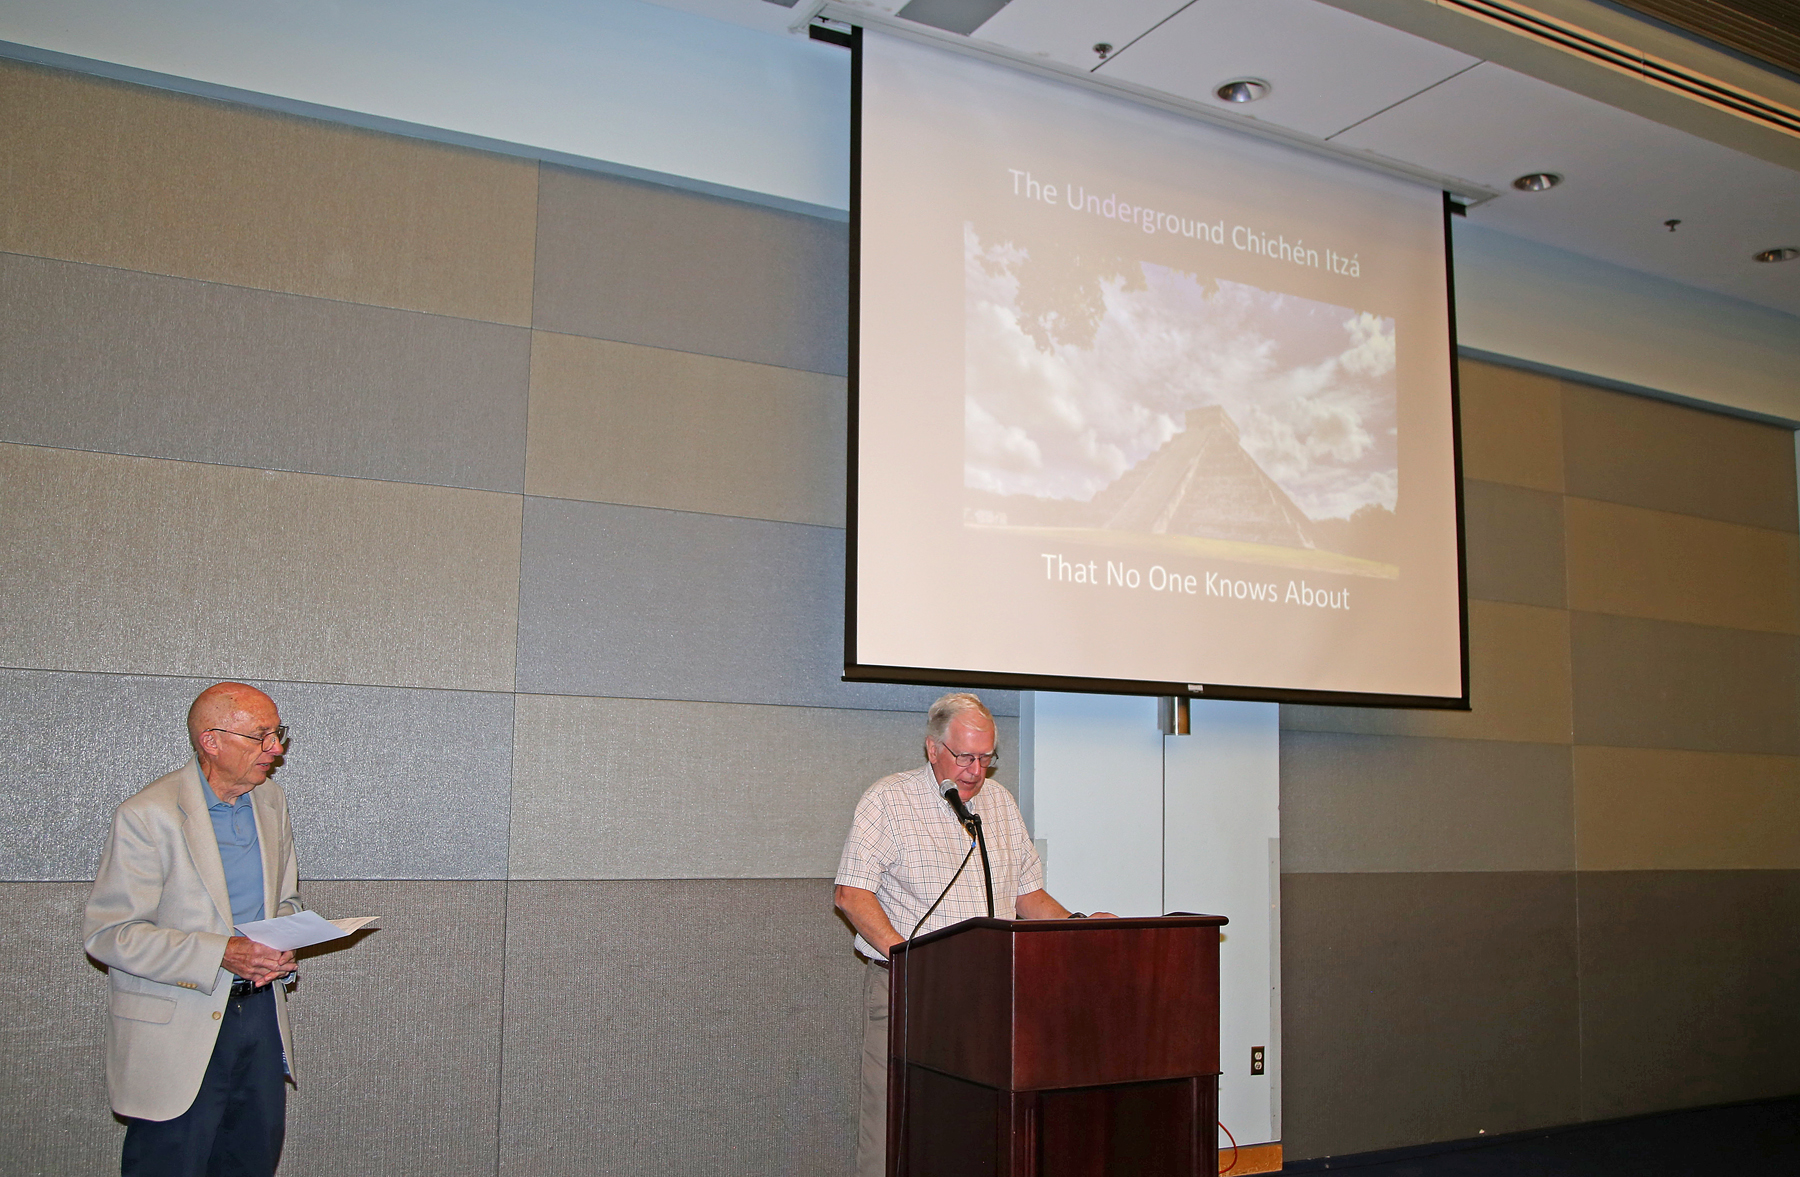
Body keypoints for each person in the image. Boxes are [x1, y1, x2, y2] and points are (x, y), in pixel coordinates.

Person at [834, 691, 1105, 1177]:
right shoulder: (888, 800)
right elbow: (852, 895)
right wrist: (911, 960)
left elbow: (1027, 896)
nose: (976, 771)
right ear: (932, 749)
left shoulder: (999, 803)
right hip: (911, 991)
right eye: (964, 757)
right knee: (895, 1126)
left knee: (976, 1124)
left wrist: (1078, 930)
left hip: (990, 995)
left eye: (986, 758)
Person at [84, 682, 305, 1177]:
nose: (276, 749)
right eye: (261, 736)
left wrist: (285, 941)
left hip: (261, 1019)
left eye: (278, 734)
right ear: (212, 741)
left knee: (251, 1161)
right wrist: (219, 953)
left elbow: (285, 900)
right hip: (177, 1030)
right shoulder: (148, 815)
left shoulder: (270, 803)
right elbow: (109, 933)